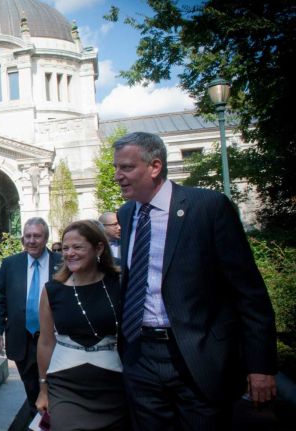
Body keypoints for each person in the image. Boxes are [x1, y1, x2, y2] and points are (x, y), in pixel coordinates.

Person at [113, 132, 277, 429]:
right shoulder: (126, 215)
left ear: (155, 166)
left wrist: (260, 366)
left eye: (126, 168)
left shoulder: (208, 207)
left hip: (199, 358)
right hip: (141, 358)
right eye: (116, 168)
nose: (117, 176)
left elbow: (248, 292)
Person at [35, 220, 127, 430]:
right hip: (66, 386)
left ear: (99, 248)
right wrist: (43, 389)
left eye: (77, 247)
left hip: (114, 384)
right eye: (66, 248)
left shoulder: (119, 282)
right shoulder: (52, 290)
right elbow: (46, 341)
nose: (69, 253)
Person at [0, 217, 61, 418]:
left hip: (55, 340)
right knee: (32, 391)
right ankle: (38, 422)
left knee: (55, 388)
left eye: (37, 236)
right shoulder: (11, 264)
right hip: (22, 340)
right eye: (28, 236)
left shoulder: (61, 263)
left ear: (45, 237)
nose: (31, 240)